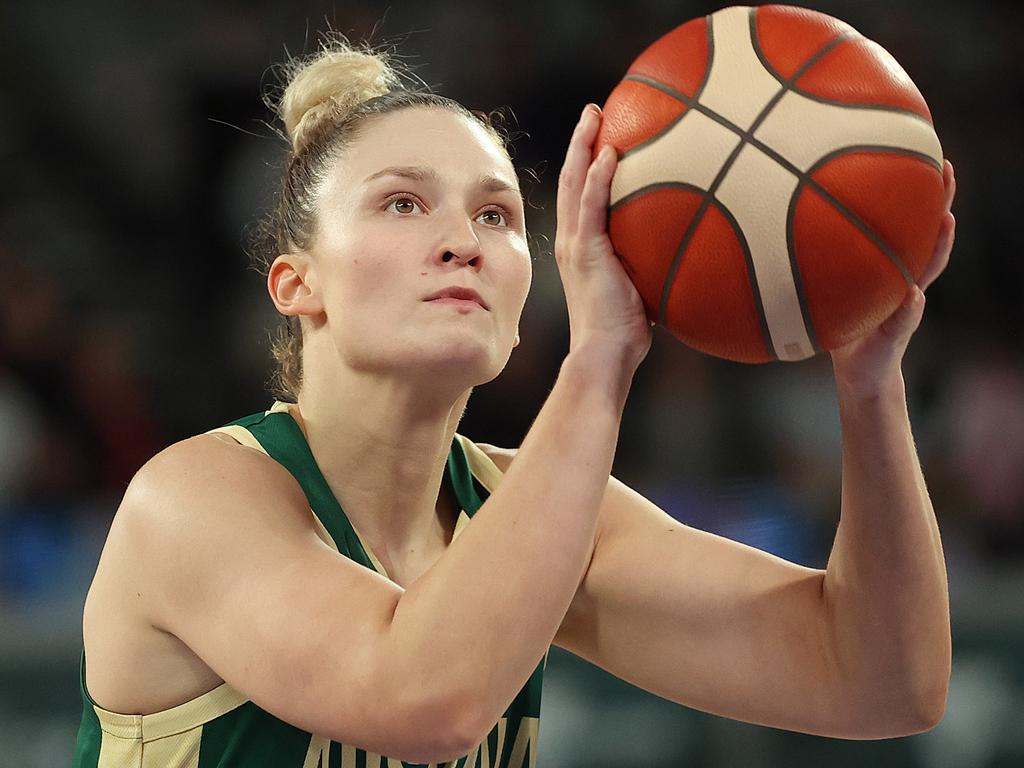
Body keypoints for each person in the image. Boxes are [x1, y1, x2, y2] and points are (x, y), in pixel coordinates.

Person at [72, 37, 957, 768]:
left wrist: (869, 386)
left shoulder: (536, 514)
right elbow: (424, 702)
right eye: (404, 203)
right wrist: (602, 358)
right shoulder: (191, 500)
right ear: (297, 283)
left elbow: (881, 680)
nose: (462, 241)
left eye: (496, 216)